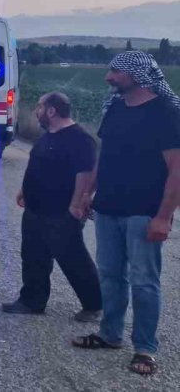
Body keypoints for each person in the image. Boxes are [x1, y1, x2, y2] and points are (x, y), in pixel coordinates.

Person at [71, 51, 180, 377]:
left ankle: (145, 349)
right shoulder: (115, 108)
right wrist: (88, 192)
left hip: (144, 211)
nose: (108, 77)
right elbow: (103, 157)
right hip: (108, 208)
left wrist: (164, 215)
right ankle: (110, 335)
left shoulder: (165, 113)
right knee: (110, 275)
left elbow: (176, 168)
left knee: (145, 282)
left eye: (116, 71)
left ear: (137, 74)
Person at [1, 92, 102, 321]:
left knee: (73, 259)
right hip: (36, 209)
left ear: (51, 111)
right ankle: (32, 301)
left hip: (61, 211)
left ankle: (94, 304)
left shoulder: (79, 139)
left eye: (39, 107)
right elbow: (36, 164)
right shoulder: (48, 136)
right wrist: (24, 191)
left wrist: (77, 204)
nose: (36, 111)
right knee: (33, 256)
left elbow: (85, 174)